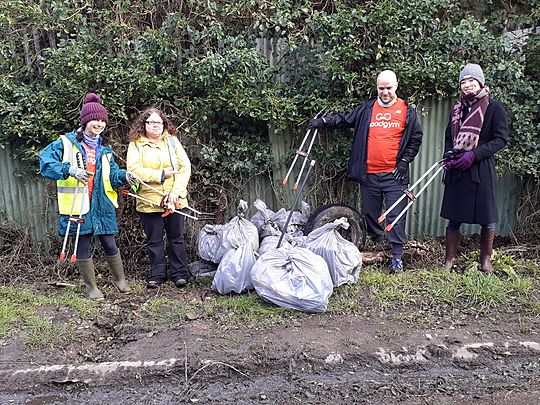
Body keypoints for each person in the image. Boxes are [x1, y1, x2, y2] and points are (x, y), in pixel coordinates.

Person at [308, 70, 423, 273]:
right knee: (371, 213)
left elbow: (416, 139)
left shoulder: (407, 111)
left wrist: (405, 162)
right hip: (369, 174)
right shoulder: (367, 109)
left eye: (389, 88)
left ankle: (396, 256)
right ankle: (379, 244)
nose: (385, 92)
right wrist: (323, 122)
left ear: (396, 85)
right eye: (381, 88)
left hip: (394, 176)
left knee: (395, 215)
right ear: (376, 87)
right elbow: (344, 119)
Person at [39, 93, 131, 299]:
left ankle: (120, 281)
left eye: (102, 120)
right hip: (78, 204)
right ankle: (92, 288)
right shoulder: (65, 143)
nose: (99, 124)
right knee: (83, 244)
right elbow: (45, 163)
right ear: (85, 121)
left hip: (102, 205)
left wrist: (125, 175)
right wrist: (69, 169)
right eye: (95, 120)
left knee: (109, 242)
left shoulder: (105, 151)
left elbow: (112, 176)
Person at [441, 63, 508, 273]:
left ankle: (485, 261)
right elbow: (448, 138)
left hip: (481, 169)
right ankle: (449, 260)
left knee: (487, 218)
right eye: (463, 81)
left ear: (480, 82)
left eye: (471, 80)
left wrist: (474, 154)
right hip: (458, 171)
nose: (467, 85)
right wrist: (449, 154)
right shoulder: (457, 109)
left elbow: (500, 139)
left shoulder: (493, 107)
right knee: (454, 217)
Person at [126, 108, 191, 288]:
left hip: (175, 200)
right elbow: (133, 170)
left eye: (159, 122)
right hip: (149, 201)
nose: (156, 126)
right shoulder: (136, 144)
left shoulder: (172, 141)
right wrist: (160, 174)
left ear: (164, 124)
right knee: (154, 240)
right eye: (151, 122)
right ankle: (157, 274)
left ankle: (179, 274)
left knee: (176, 238)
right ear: (144, 124)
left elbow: (185, 168)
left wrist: (175, 193)